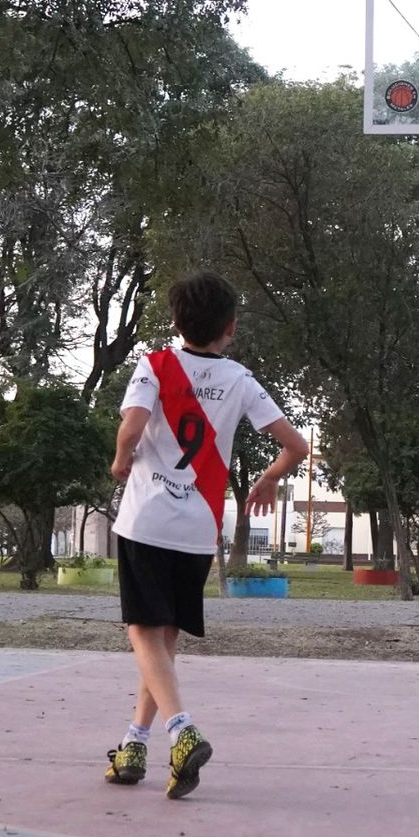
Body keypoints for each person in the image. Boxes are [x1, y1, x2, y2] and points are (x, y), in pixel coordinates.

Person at [104, 271, 308, 799]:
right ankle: (133, 745)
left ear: (176, 322)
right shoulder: (240, 379)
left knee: (142, 631)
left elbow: (131, 425)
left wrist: (122, 459)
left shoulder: (154, 365)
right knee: (164, 639)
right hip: (198, 528)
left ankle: (181, 730)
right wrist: (267, 478)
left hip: (147, 522)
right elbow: (296, 446)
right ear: (230, 328)